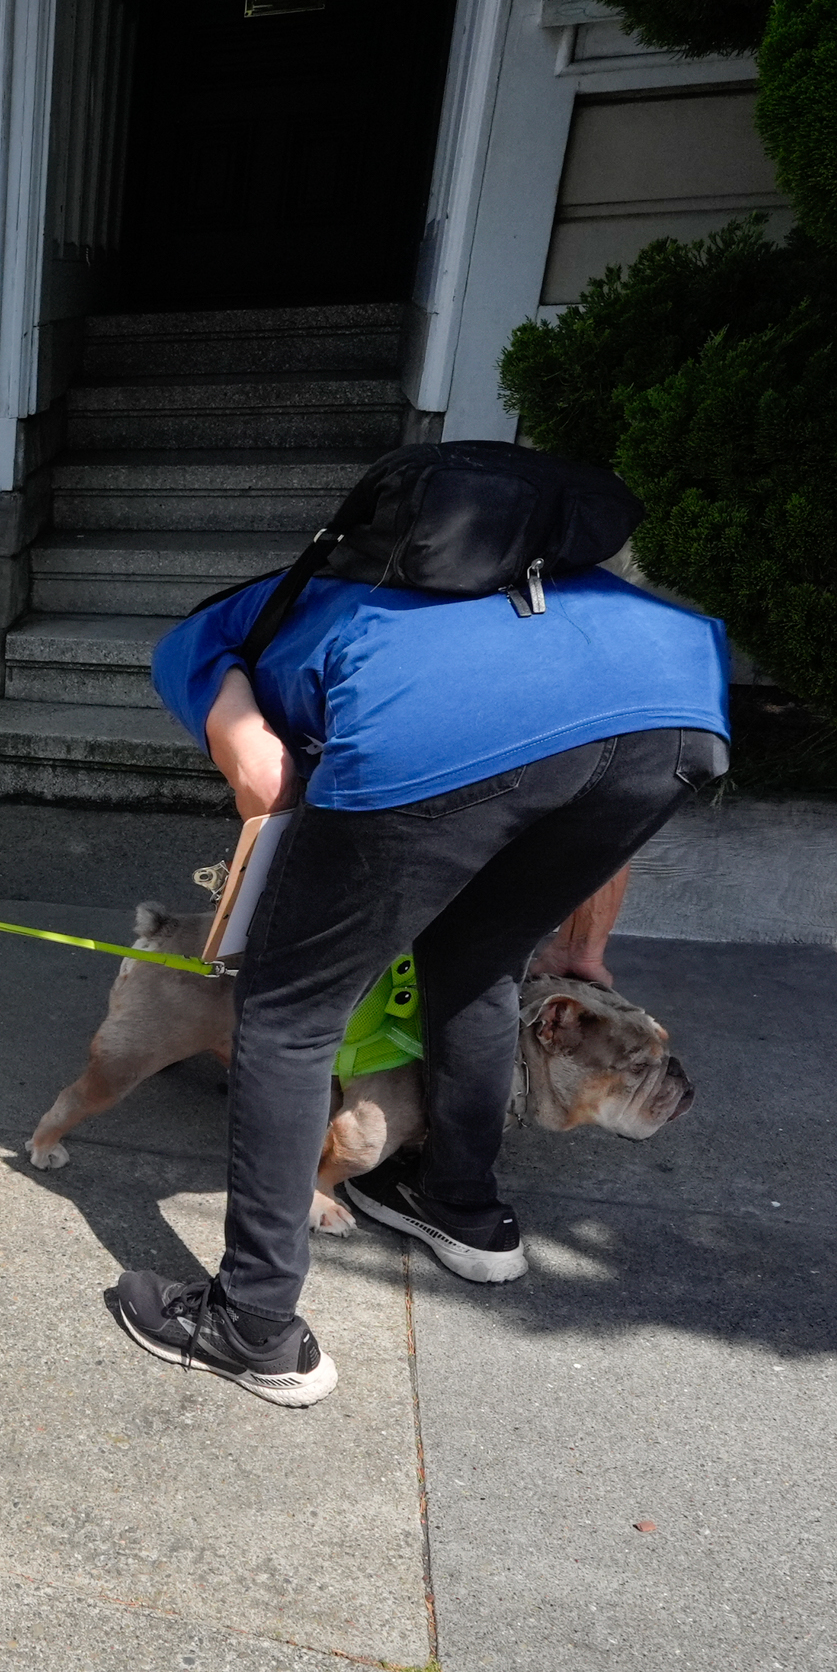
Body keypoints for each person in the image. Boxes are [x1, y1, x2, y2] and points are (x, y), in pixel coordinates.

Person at [107, 537, 732, 1407]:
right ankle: (464, 1209)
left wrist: (277, 930)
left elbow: (268, 783)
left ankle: (254, 1326)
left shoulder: (208, 641)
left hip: (434, 727)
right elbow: (596, 794)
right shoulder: (518, 603)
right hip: (675, 709)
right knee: (478, 967)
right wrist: (582, 949)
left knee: (288, 1013)